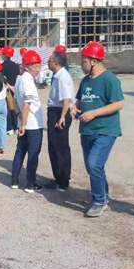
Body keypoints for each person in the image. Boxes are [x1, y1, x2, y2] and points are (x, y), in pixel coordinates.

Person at [72, 42, 124, 218]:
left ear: (93, 61)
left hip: (105, 130)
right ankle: (104, 197)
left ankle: (99, 201)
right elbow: (80, 100)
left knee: (94, 164)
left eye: (84, 61)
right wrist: (75, 108)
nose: (81, 64)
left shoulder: (110, 79)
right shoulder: (86, 80)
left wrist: (94, 113)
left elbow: (118, 103)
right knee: (92, 167)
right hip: (87, 130)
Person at [11, 50, 45, 192]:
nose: (37, 69)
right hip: (32, 125)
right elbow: (27, 105)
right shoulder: (28, 81)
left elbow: (14, 100)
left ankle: (14, 180)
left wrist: (19, 115)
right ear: (26, 66)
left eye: (39, 66)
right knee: (33, 154)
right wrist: (24, 123)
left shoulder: (19, 79)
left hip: (23, 123)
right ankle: (31, 183)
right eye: (34, 66)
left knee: (20, 151)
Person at [46, 50, 74, 191]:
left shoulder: (63, 77)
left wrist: (62, 117)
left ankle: (63, 180)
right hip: (55, 111)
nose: (48, 63)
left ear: (56, 63)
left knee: (60, 147)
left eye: (49, 61)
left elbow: (67, 98)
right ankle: (58, 178)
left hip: (59, 112)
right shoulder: (57, 76)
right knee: (53, 146)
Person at [1, 46, 19, 135]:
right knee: (15, 107)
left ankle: (9, 128)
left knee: (8, 108)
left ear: (4, 55)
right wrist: (15, 86)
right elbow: (18, 77)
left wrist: (10, 86)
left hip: (6, 89)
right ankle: (16, 127)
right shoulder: (15, 65)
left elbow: (3, 78)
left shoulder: (2, 66)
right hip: (15, 89)